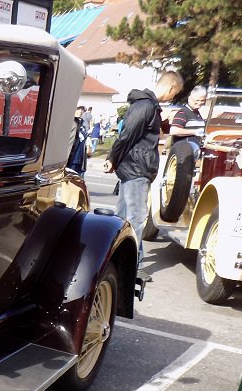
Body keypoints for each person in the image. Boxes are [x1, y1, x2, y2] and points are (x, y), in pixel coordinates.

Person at [104, 70, 184, 264]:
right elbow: (128, 134)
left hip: (133, 167)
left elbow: (132, 134)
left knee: (123, 217)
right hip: (136, 168)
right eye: (175, 93)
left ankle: (118, 260)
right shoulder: (146, 105)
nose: (173, 97)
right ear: (171, 87)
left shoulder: (147, 105)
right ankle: (129, 264)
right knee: (135, 218)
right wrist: (111, 157)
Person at [169, 85, 207, 155]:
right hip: (183, 153)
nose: (199, 103)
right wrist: (195, 132)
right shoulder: (183, 113)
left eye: (202, 100)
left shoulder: (197, 113)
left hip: (194, 153)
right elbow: (174, 131)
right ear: (189, 99)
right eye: (197, 100)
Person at [68, 106, 88, 174]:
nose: (80, 111)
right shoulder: (71, 122)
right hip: (71, 156)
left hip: (80, 157)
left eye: (82, 110)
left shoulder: (82, 124)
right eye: (78, 109)